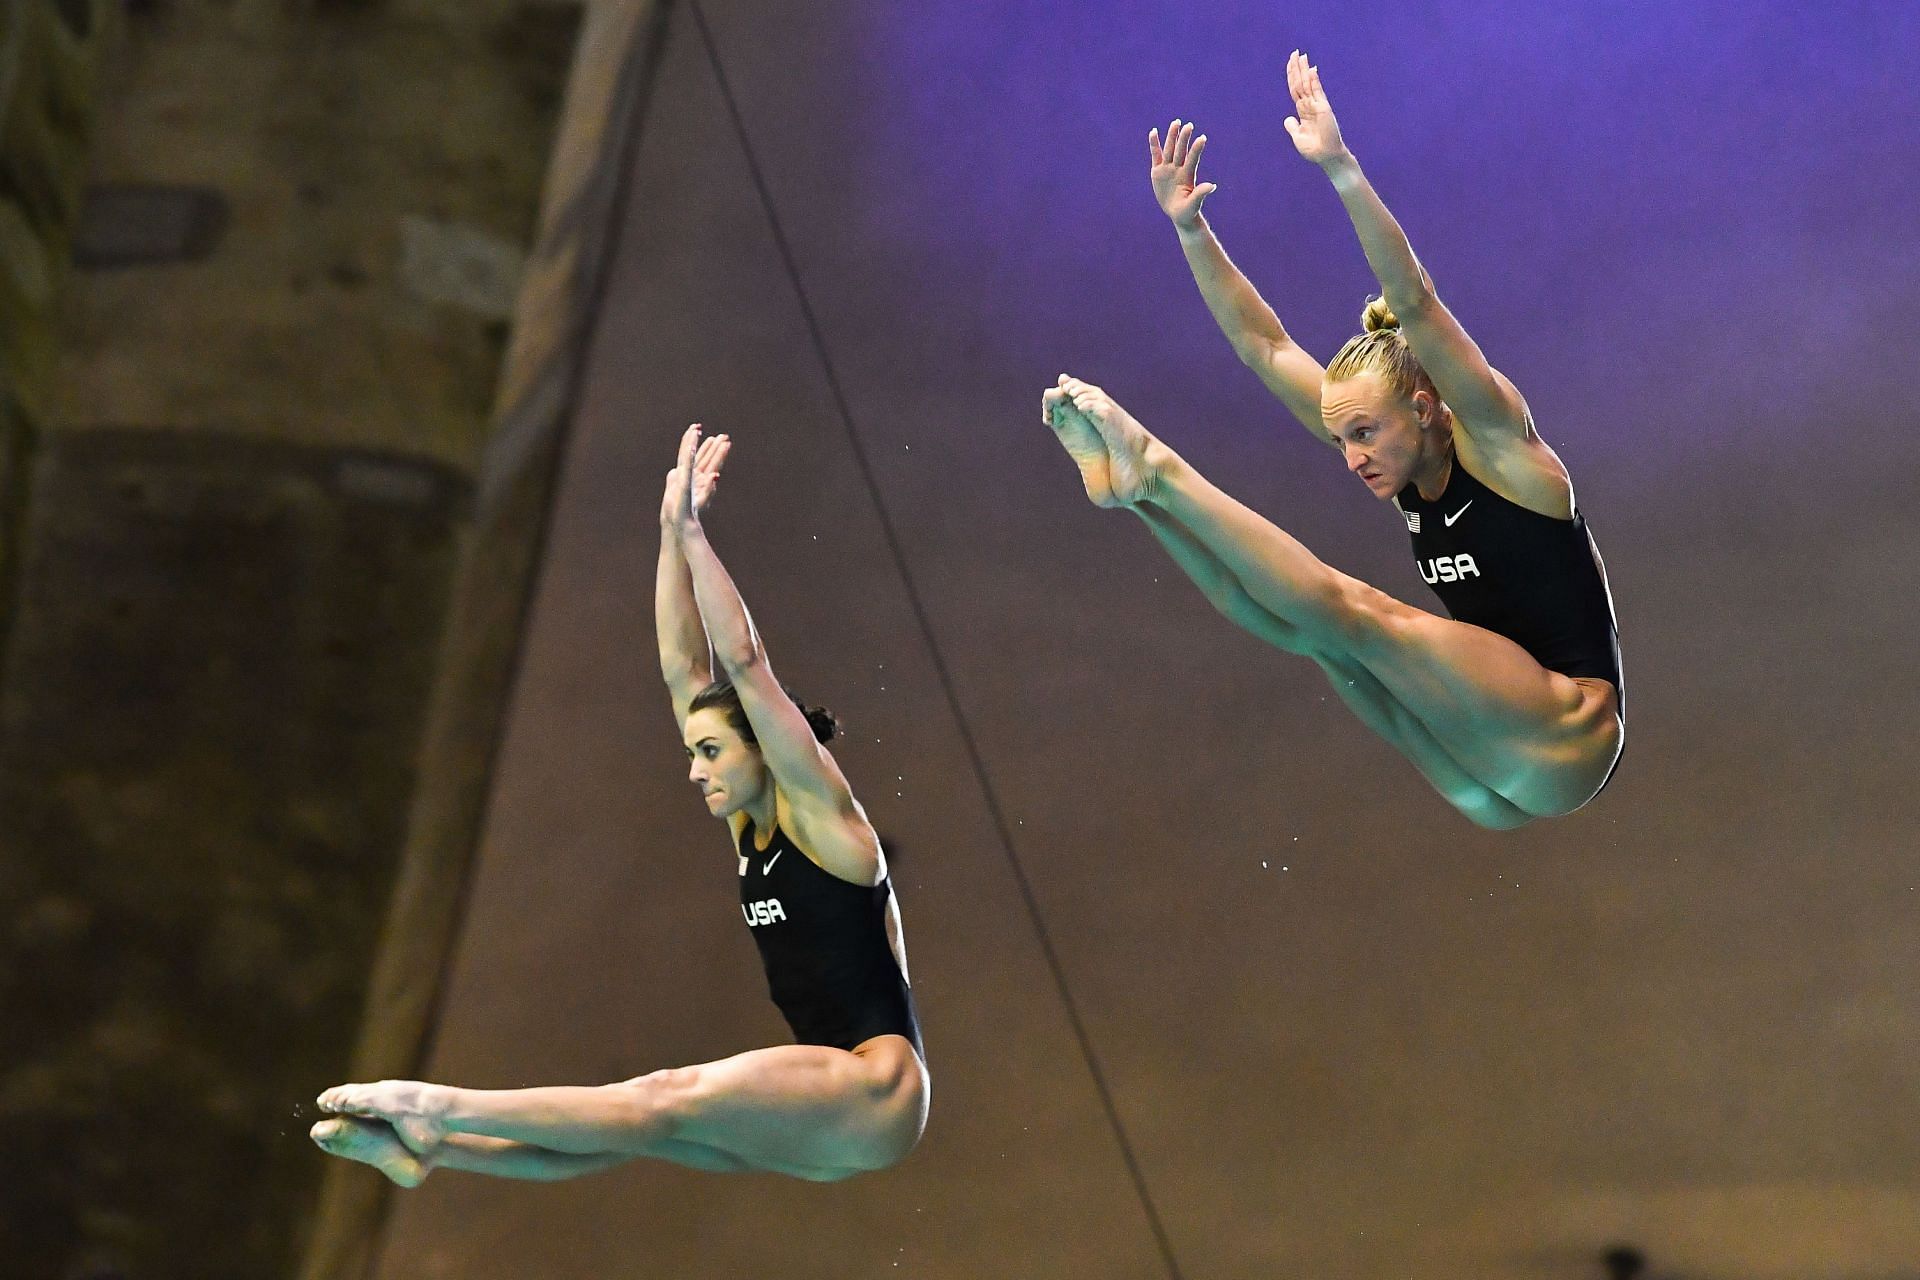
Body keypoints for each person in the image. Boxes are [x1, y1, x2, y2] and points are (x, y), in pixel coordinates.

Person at [311, 425, 927, 1185]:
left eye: (708, 753)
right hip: (825, 1125)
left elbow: (742, 661)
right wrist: (668, 533)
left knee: (658, 1096)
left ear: (766, 748)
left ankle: (440, 1108)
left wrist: (698, 537)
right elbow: (682, 666)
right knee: (630, 1125)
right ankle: (430, 1153)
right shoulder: (748, 822)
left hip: (875, 1094)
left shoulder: (827, 824)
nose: (694, 772)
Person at [1044, 50, 1621, 829]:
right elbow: (1266, 347)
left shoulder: (1502, 449)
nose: (1350, 458)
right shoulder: (1403, 464)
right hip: (1487, 783)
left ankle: (1159, 472)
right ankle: (1139, 502)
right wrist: (1191, 229)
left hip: (1565, 733)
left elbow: (1416, 303)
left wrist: (1341, 169)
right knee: (1313, 636)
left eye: (1362, 433)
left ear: (1425, 408)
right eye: (1340, 437)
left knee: (1355, 612)